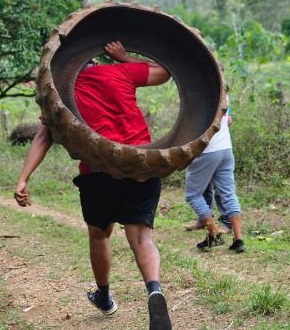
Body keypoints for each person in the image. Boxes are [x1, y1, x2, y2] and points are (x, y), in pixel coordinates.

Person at [14, 41, 173, 330]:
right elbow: (165, 71)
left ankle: (103, 295)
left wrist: (23, 179)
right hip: (141, 163)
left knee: (100, 236)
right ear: (92, 60)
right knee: (141, 238)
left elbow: (43, 138)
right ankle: (154, 290)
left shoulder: (60, 93)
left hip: (97, 173)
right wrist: (123, 57)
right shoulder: (119, 72)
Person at [183, 92, 246, 253]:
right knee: (228, 193)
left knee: (193, 194)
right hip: (226, 148)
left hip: (207, 151)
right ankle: (238, 239)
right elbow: (228, 120)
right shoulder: (224, 93)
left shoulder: (201, 95)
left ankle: (213, 232)